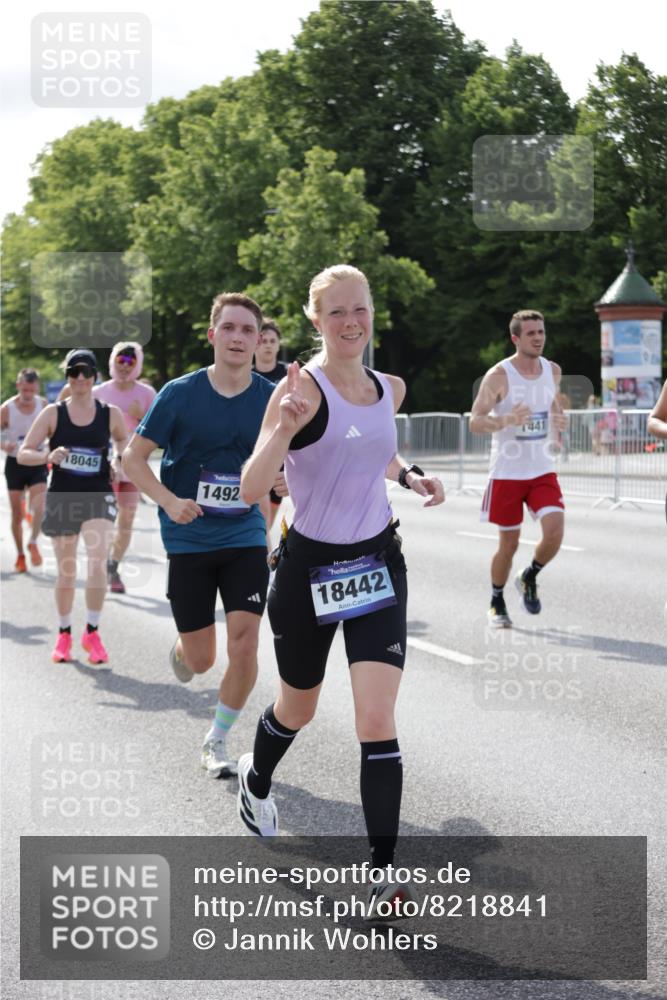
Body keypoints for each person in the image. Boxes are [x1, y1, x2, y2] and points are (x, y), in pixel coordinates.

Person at [236, 265, 444, 917]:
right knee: (297, 708)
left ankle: (383, 875)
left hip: (376, 563)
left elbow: (374, 450)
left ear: (371, 311)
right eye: (336, 312)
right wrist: (281, 429)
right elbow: (250, 488)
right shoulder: (299, 391)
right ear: (315, 319)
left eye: (359, 309)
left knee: (375, 719)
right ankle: (256, 778)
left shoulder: (389, 387)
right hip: (309, 571)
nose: (351, 322)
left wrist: (410, 475)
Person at [122, 293, 275, 779]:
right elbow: (132, 458)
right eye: (228, 328)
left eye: (247, 330)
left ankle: (217, 738)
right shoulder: (180, 393)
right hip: (188, 538)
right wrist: (168, 501)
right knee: (202, 660)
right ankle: (183, 648)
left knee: (245, 645)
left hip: (246, 533)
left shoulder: (271, 398)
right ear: (212, 335)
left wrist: (287, 478)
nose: (237, 337)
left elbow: (298, 459)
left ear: (259, 340)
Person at [17, 349, 127, 664]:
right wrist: (46, 456)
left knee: (97, 563)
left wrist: (118, 461)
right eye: (73, 372)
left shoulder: (110, 413)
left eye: (85, 372)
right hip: (63, 496)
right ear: (67, 376)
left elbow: (124, 442)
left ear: (95, 376)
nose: (79, 378)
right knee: (67, 571)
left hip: (98, 494)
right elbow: (24, 453)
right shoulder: (53, 413)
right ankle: (64, 633)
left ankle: (92, 631)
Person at [470, 309, 567, 628]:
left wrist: (559, 420)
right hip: (507, 473)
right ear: (515, 338)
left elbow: (552, 402)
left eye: (541, 332)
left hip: (541, 469)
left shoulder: (552, 370)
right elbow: (475, 421)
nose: (538, 338)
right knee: (509, 544)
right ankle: (496, 599)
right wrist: (509, 419)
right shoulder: (499, 375)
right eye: (531, 333)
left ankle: (529, 575)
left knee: (555, 532)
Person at [93, 343, 156, 593]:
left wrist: (141, 415)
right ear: (113, 362)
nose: (125, 366)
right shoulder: (98, 392)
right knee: (104, 520)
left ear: (138, 365)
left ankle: (113, 566)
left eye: (131, 362)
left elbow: (162, 430)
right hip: (103, 465)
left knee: (126, 520)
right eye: (121, 360)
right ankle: (101, 562)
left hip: (132, 465)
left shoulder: (147, 393)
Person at [1, 368, 48, 571]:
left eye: (31, 390)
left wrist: (49, 446)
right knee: (16, 515)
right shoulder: (7, 408)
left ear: (37, 387)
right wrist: (4, 445)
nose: (27, 394)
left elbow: (52, 431)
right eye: (24, 390)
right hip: (15, 463)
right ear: (18, 385)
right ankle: (20, 555)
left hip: (37, 462)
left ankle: (33, 542)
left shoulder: (43, 406)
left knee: (40, 507)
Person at [254, 319, 289, 530]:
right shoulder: (245, 374)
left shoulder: (290, 374)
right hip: (251, 449)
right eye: (263, 340)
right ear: (255, 344)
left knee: (266, 524)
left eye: (272, 341)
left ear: (278, 345)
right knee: (256, 518)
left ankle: (262, 546)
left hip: (280, 451)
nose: (267, 345)